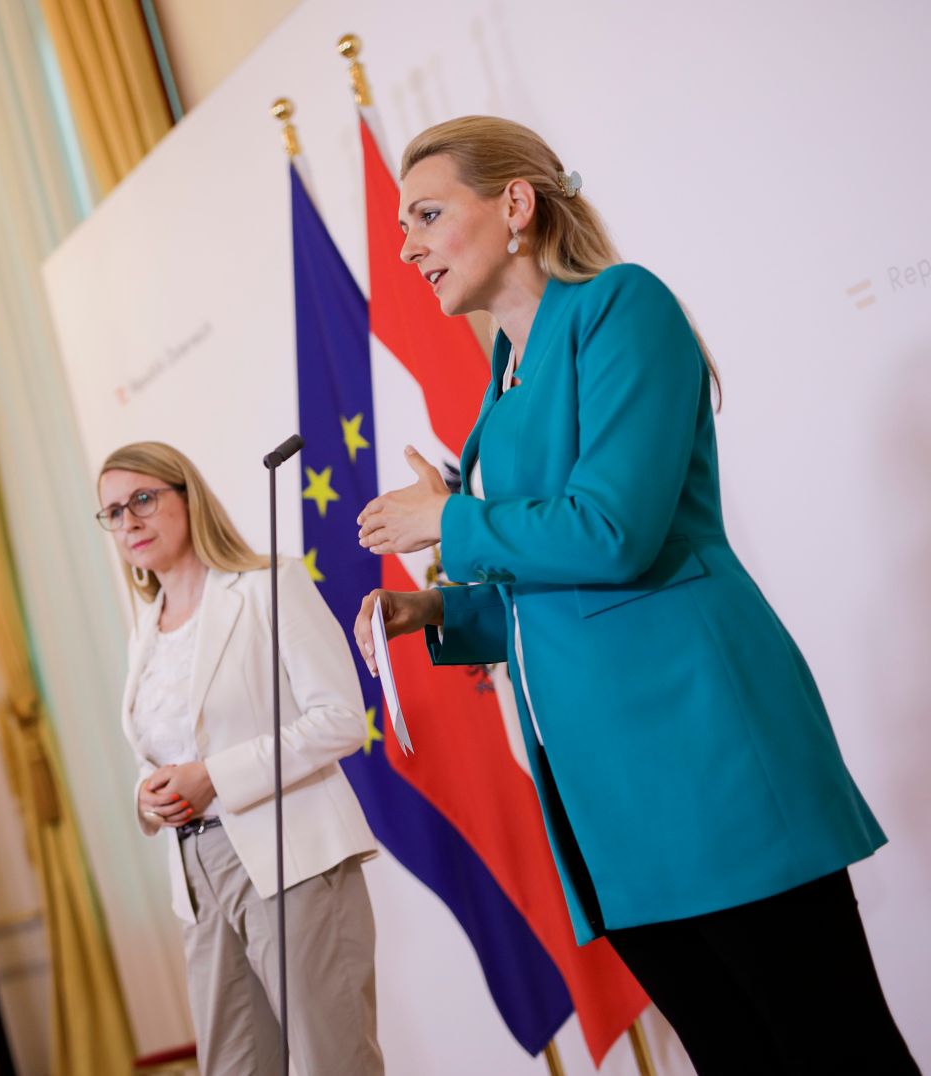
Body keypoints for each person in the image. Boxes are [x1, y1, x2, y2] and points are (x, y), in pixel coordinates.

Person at [353, 116, 915, 1074]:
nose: (406, 247)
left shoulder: (622, 308)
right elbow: (556, 588)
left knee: (834, 1052)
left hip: (700, 755)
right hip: (604, 797)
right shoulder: (504, 381)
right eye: (404, 224)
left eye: (428, 215)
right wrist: (440, 609)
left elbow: (614, 533)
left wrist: (448, 520)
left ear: (516, 205)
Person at [98, 441, 383, 1075]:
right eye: (113, 512)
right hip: (195, 876)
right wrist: (146, 796)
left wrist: (214, 778)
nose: (129, 521)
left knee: (332, 1063)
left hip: (289, 857)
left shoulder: (267, 586)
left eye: (142, 499)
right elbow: (165, 749)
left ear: (187, 497)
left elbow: (341, 720)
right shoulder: (144, 631)